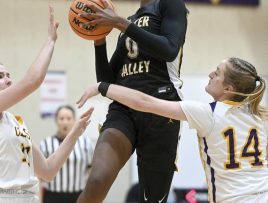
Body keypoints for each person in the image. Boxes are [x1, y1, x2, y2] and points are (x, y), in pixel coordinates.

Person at [78, 57, 268, 203]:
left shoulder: (208, 113)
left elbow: (144, 102)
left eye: (217, 73)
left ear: (228, 88)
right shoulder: (259, 118)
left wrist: (103, 87)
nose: (211, 74)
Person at [77, 0, 188, 203]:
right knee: (96, 181)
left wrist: (119, 23)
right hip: (123, 109)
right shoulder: (131, 20)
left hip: (161, 106)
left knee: (151, 199)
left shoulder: (171, 2)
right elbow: (107, 81)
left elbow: (169, 49)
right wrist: (99, 40)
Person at [0, 6, 93, 203]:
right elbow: (32, 80)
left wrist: (75, 133)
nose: (8, 80)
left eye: (9, 75)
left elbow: (48, 170)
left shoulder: (17, 123)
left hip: (27, 198)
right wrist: (50, 41)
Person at [39, 105, 94, 203]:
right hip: (52, 196)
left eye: (69, 118)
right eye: (61, 118)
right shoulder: (46, 144)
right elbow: (39, 177)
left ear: (74, 121)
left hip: (78, 196)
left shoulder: (86, 143)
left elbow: (91, 172)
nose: (65, 122)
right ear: (56, 120)